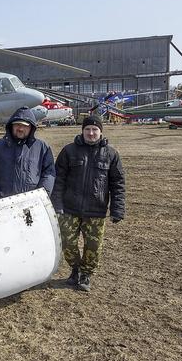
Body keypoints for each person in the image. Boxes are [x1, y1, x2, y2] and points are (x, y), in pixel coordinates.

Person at [51, 115, 126, 292]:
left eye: (94, 130)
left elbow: (118, 183)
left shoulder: (111, 154)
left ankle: (86, 274)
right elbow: (59, 180)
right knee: (67, 243)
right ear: (82, 131)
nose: (91, 133)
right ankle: (75, 269)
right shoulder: (69, 151)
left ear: (101, 132)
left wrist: (117, 209)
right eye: (87, 129)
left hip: (96, 210)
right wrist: (57, 204)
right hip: (70, 209)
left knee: (93, 246)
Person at [0, 106, 55, 200]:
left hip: (33, 201)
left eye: (25, 125)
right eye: (17, 125)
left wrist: (41, 195)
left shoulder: (42, 147)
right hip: (3, 202)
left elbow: (49, 173)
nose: (20, 129)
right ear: (11, 126)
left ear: (31, 127)